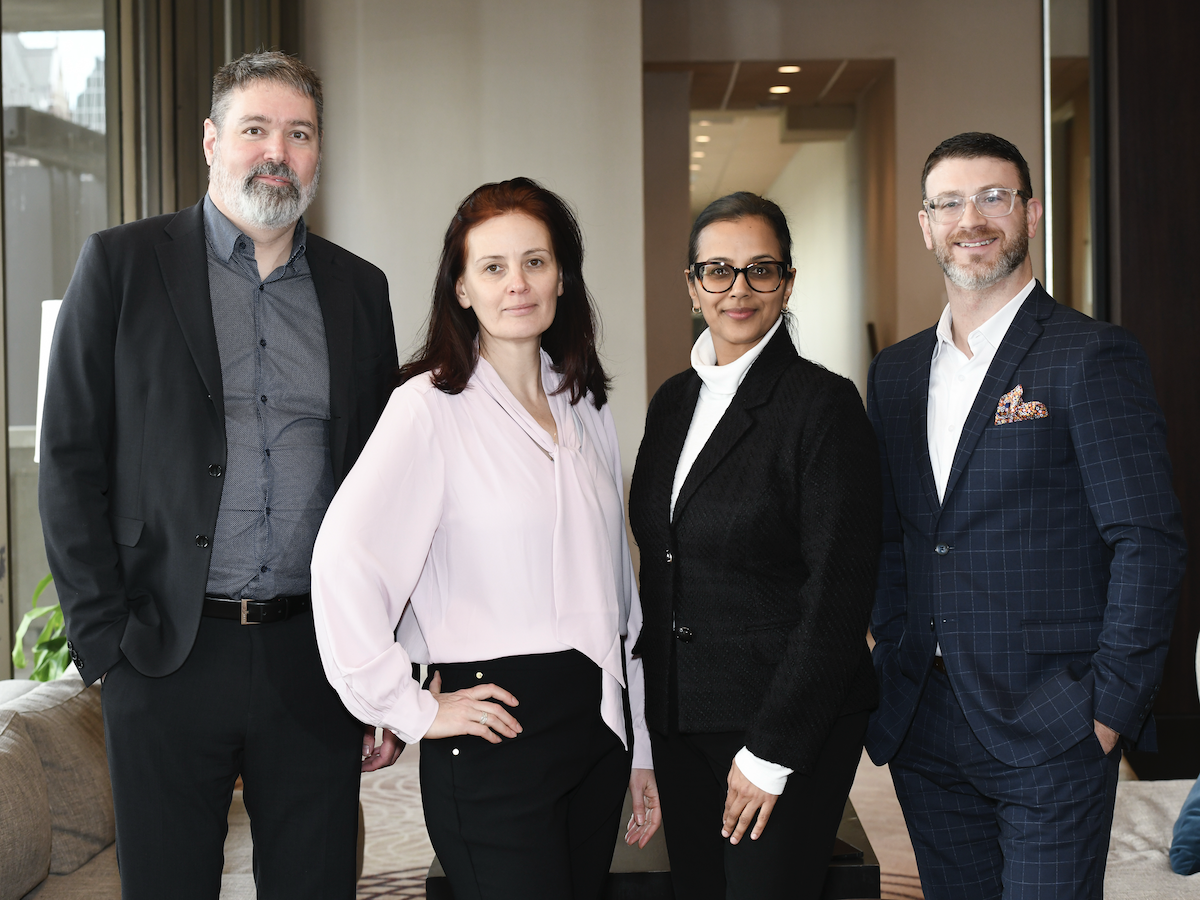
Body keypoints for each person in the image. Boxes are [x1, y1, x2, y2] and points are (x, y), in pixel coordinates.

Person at [38, 52, 401, 899]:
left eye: (299, 134)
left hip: (315, 657)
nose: (277, 151)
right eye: (255, 129)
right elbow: (68, 460)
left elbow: (384, 488)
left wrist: (384, 667)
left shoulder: (359, 290)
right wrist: (105, 646)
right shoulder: (120, 265)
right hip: (164, 654)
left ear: (318, 151)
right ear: (211, 141)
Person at [308, 177, 659, 900]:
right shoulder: (427, 408)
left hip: (596, 725)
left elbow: (619, 590)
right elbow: (345, 560)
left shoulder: (586, 404)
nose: (517, 284)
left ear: (562, 276)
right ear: (462, 288)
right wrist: (405, 705)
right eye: (493, 267)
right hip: (494, 730)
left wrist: (640, 745)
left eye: (535, 262)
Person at [865, 132, 1187, 899]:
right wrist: (892, 642)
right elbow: (889, 537)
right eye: (949, 203)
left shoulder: (1089, 355)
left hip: (1053, 722)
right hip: (924, 723)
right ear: (925, 226)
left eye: (994, 197)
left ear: (1030, 213)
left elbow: (1147, 542)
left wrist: (1107, 711)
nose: (971, 219)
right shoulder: (896, 373)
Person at [627, 192, 881, 900]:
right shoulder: (672, 402)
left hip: (781, 721)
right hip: (682, 714)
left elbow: (837, 597)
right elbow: (661, 568)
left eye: (760, 269)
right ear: (692, 285)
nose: (737, 289)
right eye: (717, 270)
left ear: (787, 283)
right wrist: (648, 728)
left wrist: (771, 753)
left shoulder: (823, 406)